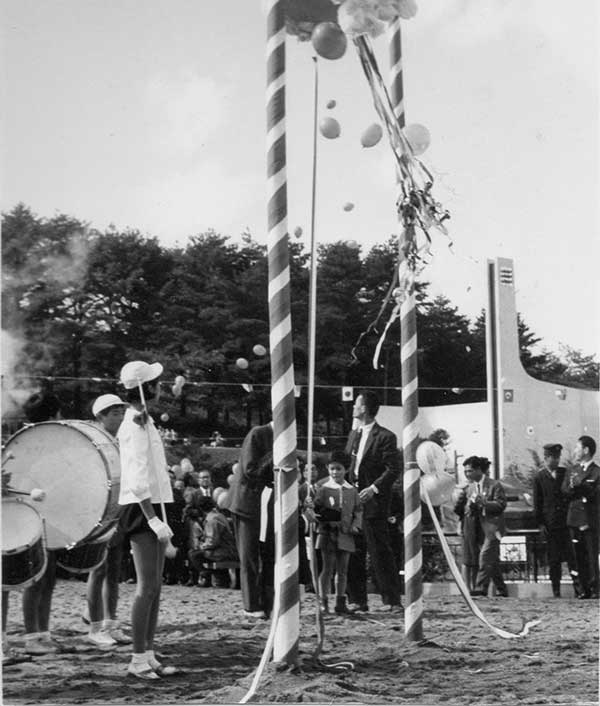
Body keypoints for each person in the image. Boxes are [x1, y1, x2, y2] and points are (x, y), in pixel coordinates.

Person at [117, 360, 177, 679]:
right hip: (143, 509)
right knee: (147, 586)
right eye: (156, 382)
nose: (160, 386)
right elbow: (137, 478)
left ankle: (149, 653)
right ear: (144, 388)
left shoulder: (145, 420)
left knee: (156, 587)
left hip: (155, 505)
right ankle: (137, 658)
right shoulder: (132, 425)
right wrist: (152, 519)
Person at [344, 392, 401, 612]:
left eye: (356, 404)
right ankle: (357, 599)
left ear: (365, 408)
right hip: (352, 500)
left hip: (373, 501)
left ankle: (391, 600)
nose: (353, 407)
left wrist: (374, 488)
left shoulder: (386, 436)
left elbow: (393, 469)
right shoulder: (353, 435)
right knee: (353, 551)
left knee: (379, 551)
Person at [83, 394, 131, 646]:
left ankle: (111, 623)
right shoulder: (93, 441)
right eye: (114, 414)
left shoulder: (122, 440)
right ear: (100, 417)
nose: (121, 418)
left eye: (122, 413)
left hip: (118, 511)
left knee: (114, 571)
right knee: (98, 569)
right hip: (98, 513)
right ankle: (94, 627)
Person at [21, 392, 63, 655]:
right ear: (53, 415)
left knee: (48, 579)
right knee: (35, 579)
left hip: (52, 515)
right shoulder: (28, 443)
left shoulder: (54, 441)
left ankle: (43, 634)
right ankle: (31, 637)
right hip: (31, 517)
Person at [228, 422, 274, 618]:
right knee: (249, 556)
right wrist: (275, 456)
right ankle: (252, 605)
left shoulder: (285, 438)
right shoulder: (258, 434)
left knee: (267, 555)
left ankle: (268, 602)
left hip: (267, 504)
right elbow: (249, 469)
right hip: (247, 504)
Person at [308, 450, 362, 614]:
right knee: (327, 568)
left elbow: (358, 510)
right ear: (327, 469)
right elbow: (314, 508)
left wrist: (356, 524)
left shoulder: (351, 490)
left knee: (343, 569)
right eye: (332, 469)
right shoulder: (322, 488)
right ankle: (323, 601)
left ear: (345, 469)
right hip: (327, 533)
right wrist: (314, 513)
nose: (335, 472)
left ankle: (340, 602)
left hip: (345, 533)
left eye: (338, 469)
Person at [454, 456, 508, 598]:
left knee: (485, 556)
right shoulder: (470, 488)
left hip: (493, 527)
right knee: (492, 560)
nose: (467, 474)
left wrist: (485, 503)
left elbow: (501, 505)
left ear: (479, 470)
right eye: (465, 471)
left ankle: (480, 588)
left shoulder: (494, 485)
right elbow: (467, 510)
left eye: (470, 471)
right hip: (478, 528)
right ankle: (502, 589)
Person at [532, 443, 580, 598]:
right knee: (554, 560)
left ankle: (578, 588)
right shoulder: (539, 477)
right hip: (550, 524)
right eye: (553, 457)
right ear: (546, 458)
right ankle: (556, 590)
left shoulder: (564, 473)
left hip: (566, 522)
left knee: (572, 558)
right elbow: (537, 503)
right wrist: (540, 524)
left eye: (558, 457)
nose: (556, 460)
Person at [561, 435, 600, 600]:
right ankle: (581, 588)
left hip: (589, 519)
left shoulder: (597, 471)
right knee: (577, 556)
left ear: (586, 450)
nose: (575, 451)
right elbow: (565, 491)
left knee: (591, 555)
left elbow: (593, 493)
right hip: (574, 518)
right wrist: (577, 487)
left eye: (578, 448)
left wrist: (580, 486)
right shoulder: (572, 470)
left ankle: (595, 588)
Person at [187, 497, 238, 584]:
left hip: (223, 551)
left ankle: (205, 574)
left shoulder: (212, 520)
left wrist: (201, 546)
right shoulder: (218, 515)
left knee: (193, 554)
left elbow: (212, 541)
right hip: (228, 549)